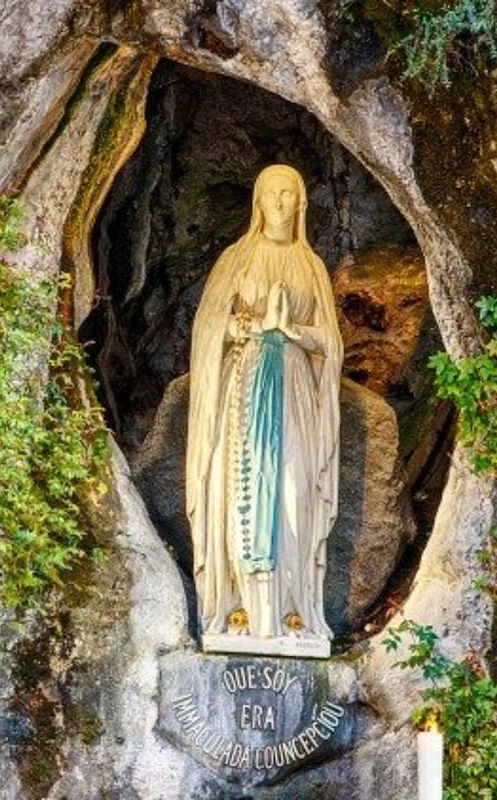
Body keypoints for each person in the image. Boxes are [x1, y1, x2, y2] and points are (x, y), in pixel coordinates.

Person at [185, 164, 342, 648]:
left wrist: (293, 332)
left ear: (301, 204)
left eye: (288, 194)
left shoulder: (311, 267)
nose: (279, 203)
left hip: (293, 391)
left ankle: (293, 611)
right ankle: (242, 611)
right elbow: (208, 328)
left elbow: (330, 343)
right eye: (271, 194)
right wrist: (243, 328)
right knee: (239, 493)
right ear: (257, 202)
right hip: (244, 392)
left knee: (293, 493)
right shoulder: (237, 258)